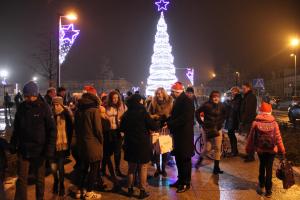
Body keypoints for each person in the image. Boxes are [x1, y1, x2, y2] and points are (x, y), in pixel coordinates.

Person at [10, 81, 57, 200]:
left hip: (39, 150)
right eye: (26, 96)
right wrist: (13, 144)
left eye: (31, 96)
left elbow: (52, 130)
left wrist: (49, 150)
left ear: (36, 94)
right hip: (24, 149)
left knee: (39, 179)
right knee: (21, 179)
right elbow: (17, 128)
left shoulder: (44, 107)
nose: (28, 99)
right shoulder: (21, 107)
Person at [120, 94, 159, 199]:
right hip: (143, 144)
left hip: (130, 143)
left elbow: (122, 128)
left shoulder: (126, 114)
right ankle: (142, 191)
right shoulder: (143, 113)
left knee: (131, 168)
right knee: (143, 167)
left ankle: (130, 189)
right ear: (139, 101)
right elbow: (153, 126)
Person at [246, 102, 285, 198]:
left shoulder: (255, 123)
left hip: (260, 149)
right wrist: (282, 150)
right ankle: (268, 191)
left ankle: (261, 184)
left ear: (260, 111)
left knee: (262, 165)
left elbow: (251, 137)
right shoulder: (274, 123)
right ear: (270, 112)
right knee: (269, 168)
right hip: (272, 150)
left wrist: (248, 148)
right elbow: (278, 138)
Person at [75, 86, 103, 199]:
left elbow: (75, 127)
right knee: (94, 169)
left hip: (81, 143)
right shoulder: (94, 110)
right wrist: (101, 141)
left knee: (83, 168)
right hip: (93, 144)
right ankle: (89, 192)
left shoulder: (78, 110)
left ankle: (79, 190)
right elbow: (98, 130)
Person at [167, 82, 195, 193]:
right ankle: (180, 180)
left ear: (176, 92)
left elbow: (184, 118)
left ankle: (185, 183)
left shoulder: (187, 101)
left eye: (172, 92)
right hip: (179, 135)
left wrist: (170, 124)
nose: (171, 94)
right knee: (179, 159)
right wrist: (168, 121)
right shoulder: (179, 100)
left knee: (185, 160)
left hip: (185, 136)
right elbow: (176, 116)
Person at [195, 91, 227, 174]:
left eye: (217, 96)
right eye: (214, 97)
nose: (216, 98)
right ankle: (199, 161)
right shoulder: (206, 105)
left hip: (218, 129)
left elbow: (225, 115)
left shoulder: (222, 106)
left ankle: (216, 168)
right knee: (207, 148)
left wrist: (221, 123)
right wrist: (202, 123)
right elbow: (197, 112)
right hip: (207, 129)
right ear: (211, 97)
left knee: (217, 148)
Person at [50, 97, 73, 196]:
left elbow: (70, 129)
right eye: (54, 104)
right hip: (51, 144)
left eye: (57, 104)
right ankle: (56, 181)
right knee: (53, 167)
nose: (55, 106)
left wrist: (69, 143)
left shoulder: (66, 114)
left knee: (60, 165)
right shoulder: (49, 114)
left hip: (62, 144)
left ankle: (61, 185)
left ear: (61, 104)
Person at [148, 87, 173, 177]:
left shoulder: (170, 102)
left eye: (160, 93)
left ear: (163, 93)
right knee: (157, 149)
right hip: (156, 127)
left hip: (166, 128)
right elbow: (148, 114)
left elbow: (172, 114)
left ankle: (163, 168)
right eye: (157, 93)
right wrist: (155, 116)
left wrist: (168, 120)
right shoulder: (153, 102)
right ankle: (158, 169)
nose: (158, 95)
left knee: (165, 148)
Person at [105, 90, 127, 177]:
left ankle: (117, 169)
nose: (115, 99)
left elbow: (126, 117)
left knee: (117, 152)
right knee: (107, 152)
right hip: (108, 131)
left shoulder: (122, 106)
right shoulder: (106, 107)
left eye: (117, 98)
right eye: (113, 98)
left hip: (118, 131)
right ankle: (103, 169)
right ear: (110, 98)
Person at [240, 83, 257, 162]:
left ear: (248, 88)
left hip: (249, 121)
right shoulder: (247, 96)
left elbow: (248, 110)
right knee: (249, 139)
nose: (243, 90)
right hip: (248, 121)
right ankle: (249, 154)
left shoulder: (251, 97)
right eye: (242, 88)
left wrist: (243, 121)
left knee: (250, 140)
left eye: (244, 88)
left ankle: (251, 156)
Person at [225, 87, 242, 156]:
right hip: (231, 119)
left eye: (233, 92)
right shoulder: (235, 98)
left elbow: (235, 107)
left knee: (231, 134)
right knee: (230, 134)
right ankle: (234, 151)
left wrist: (228, 103)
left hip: (233, 119)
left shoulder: (238, 98)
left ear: (236, 92)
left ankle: (234, 151)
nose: (232, 93)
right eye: (231, 92)